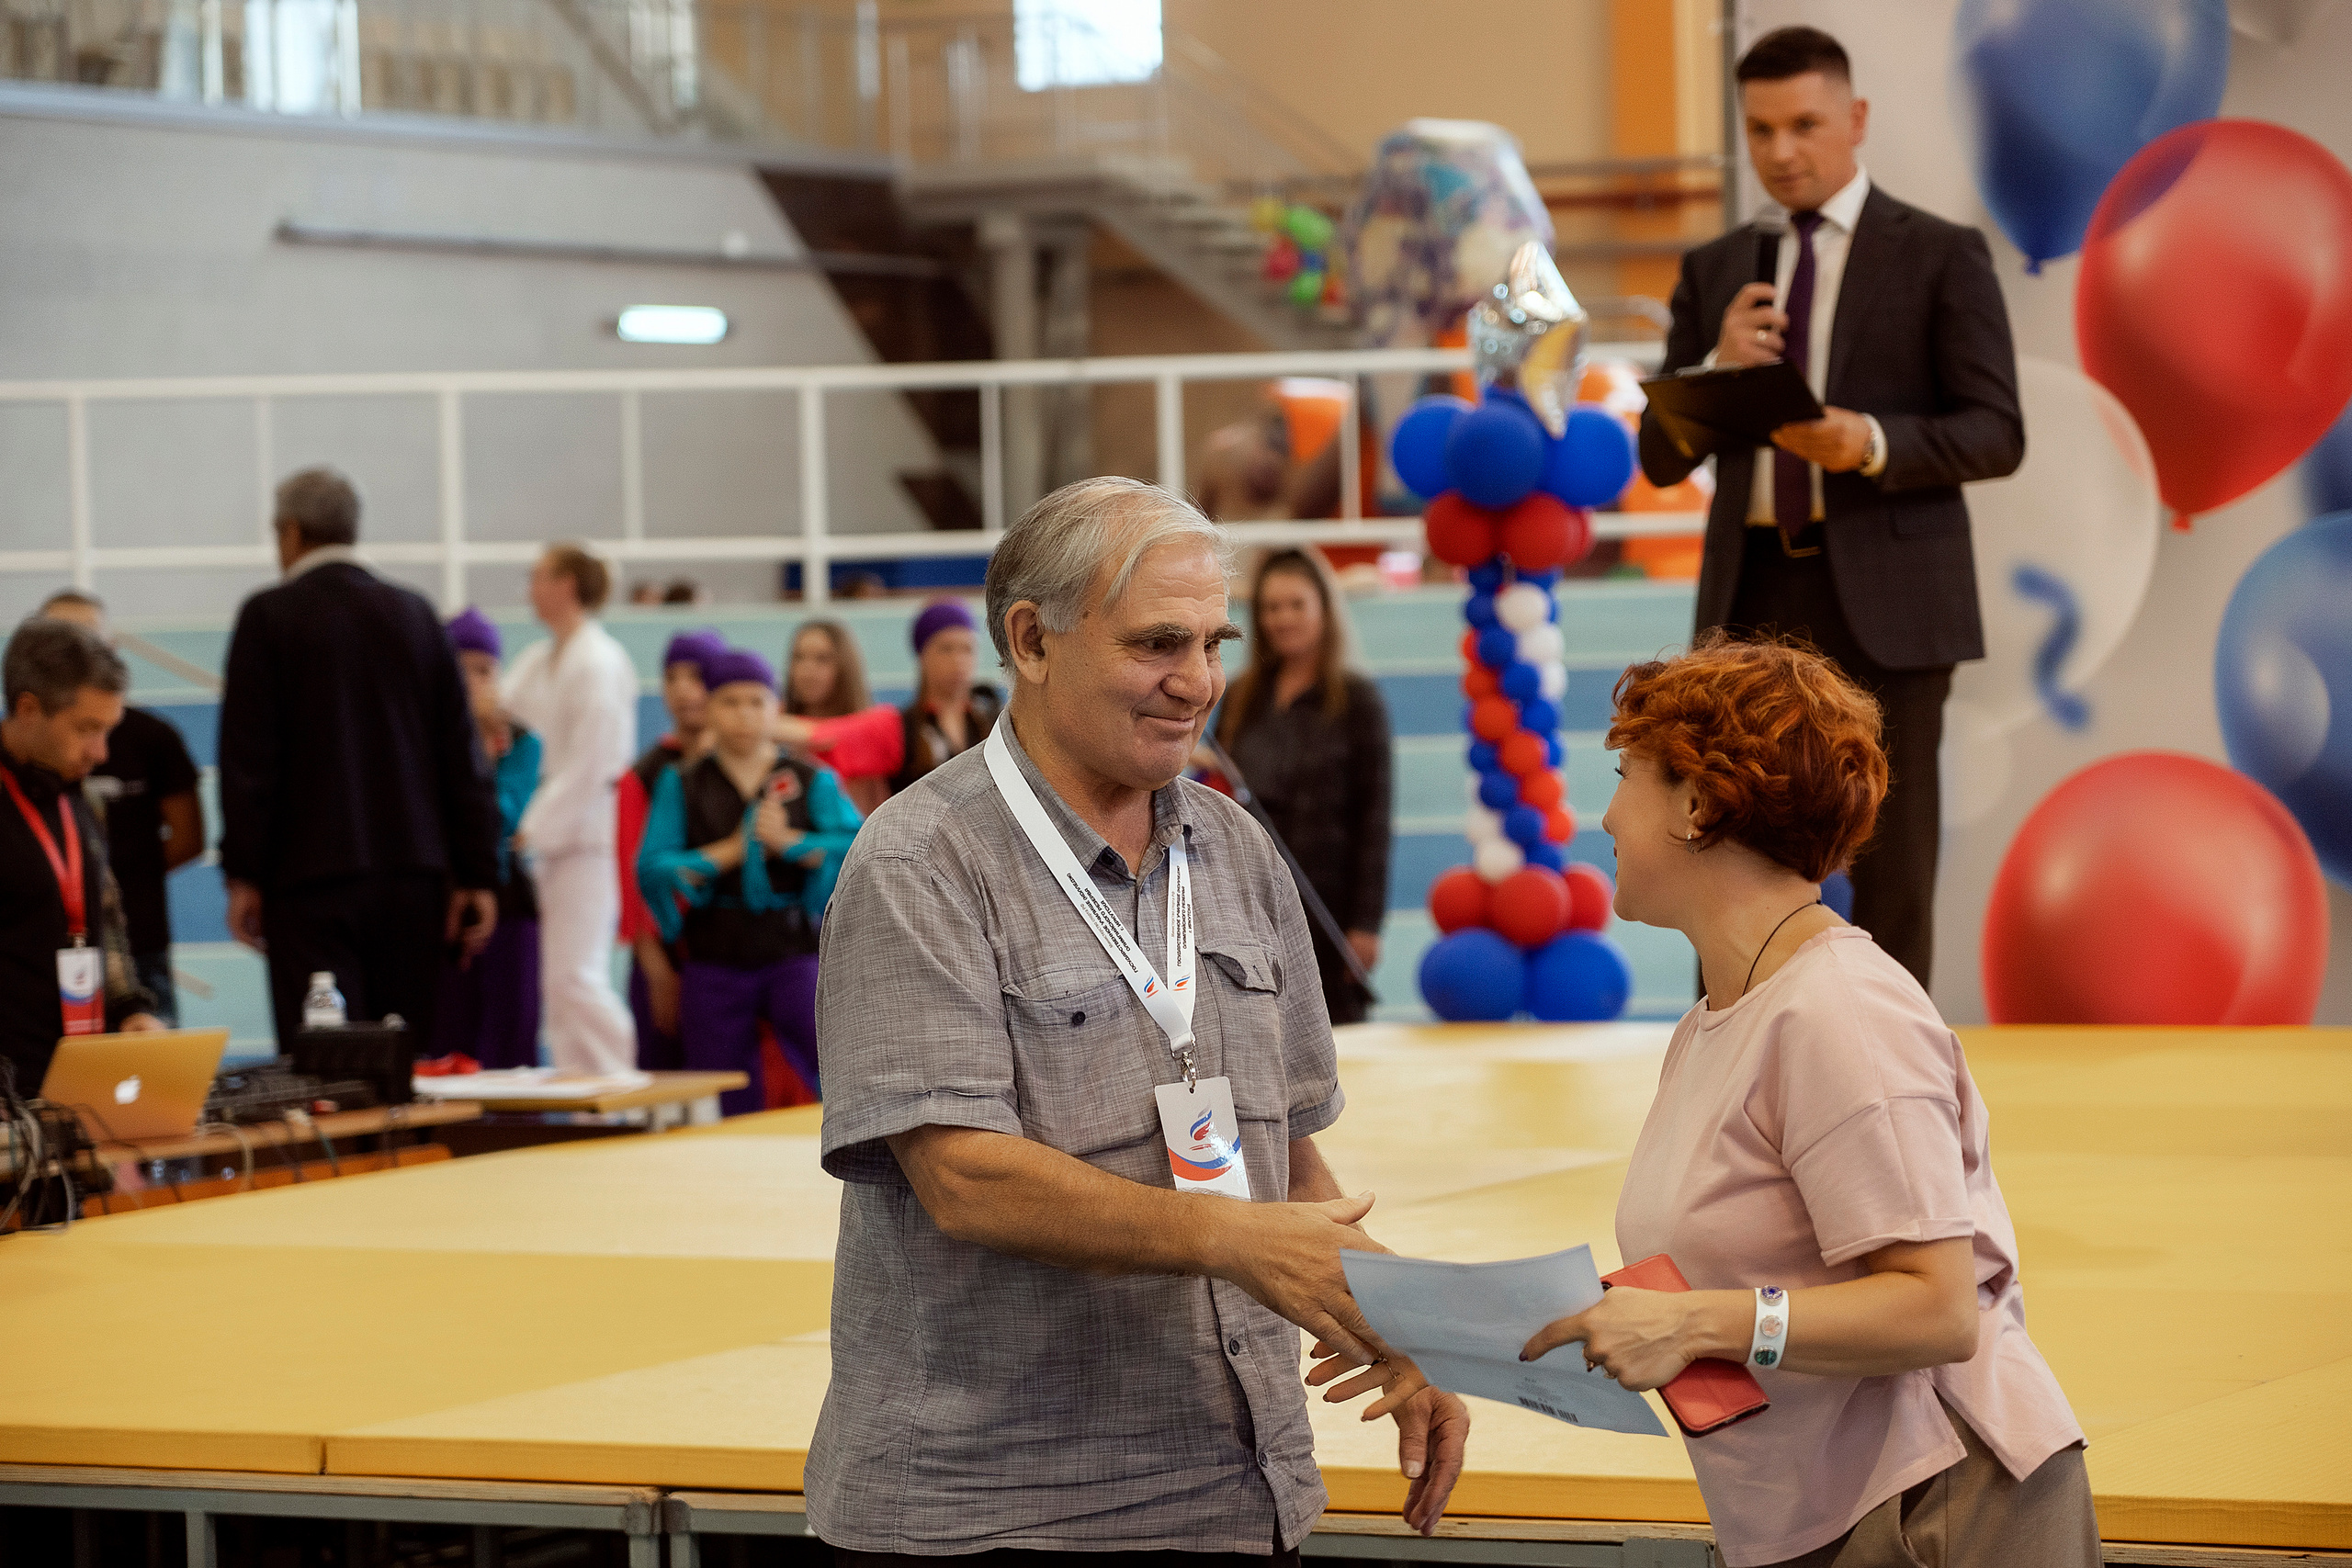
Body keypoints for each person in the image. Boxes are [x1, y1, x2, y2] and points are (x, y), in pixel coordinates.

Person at [808, 476, 1467, 1562]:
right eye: (1158, 644)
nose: (1198, 682)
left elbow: (1286, 1163)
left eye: (1214, 642)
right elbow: (963, 1174)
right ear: (1031, 638)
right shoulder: (922, 862)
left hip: (1238, 1489)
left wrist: (1402, 1327)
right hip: (1009, 1512)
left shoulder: (1237, 851)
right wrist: (1233, 1239)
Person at [1365, 635, 2088, 1568]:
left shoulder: (1839, 1013)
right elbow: (1715, 1279)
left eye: (1627, 775)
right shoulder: (1721, 1014)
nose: (1606, 815)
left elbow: (1935, 1310)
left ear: (1698, 805)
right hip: (1822, 1506)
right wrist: (1452, 1338)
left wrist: (1695, 1323)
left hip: (1939, 1498)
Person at [1635, 25, 2022, 990]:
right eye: (1760, 130)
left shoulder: (1938, 253)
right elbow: (1660, 452)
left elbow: (1996, 430)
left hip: (1891, 607)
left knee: (1893, 873)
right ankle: (1729, 1083)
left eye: (1803, 125)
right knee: (1720, 853)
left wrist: (1874, 443)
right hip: (1749, 601)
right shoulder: (1715, 266)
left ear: (1854, 120)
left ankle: (1890, 1088)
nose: (1780, 152)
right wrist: (1713, 370)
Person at [218, 468, 500, 1052]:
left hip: (309, 881)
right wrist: (476, 873)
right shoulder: (416, 614)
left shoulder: (268, 617)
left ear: (289, 532)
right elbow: (461, 753)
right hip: (415, 880)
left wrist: (244, 872)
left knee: (325, 1067)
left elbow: (250, 760)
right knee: (408, 1059)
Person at [638, 649, 859, 1114]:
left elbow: (856, 846)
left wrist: (791, 842)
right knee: (718, 1085)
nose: (744, 714)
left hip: (792, 948)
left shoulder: (809, 779)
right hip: (715, 954)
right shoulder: (683, 782)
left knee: (834, 1069)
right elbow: (652, 867)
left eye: (756, 701)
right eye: (730, 702)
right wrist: (730, 852)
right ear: (711, 709)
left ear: (776, 708)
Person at [1215, 548, 1392, 1026]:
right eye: (1271, 607)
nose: (1283, 618)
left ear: (1323, 608)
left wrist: (1365, 923)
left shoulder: (1358, 701)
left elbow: (1375, 817)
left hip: (1329, 904)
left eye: (1296, 604)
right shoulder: (1240, 697)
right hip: (1252, 901)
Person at [0, 620, 161, 1094]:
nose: (101, 752)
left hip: (86, 1077)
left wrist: (131, 1009)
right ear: (28, 709)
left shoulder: (79, 799)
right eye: (86, 729)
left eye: (108, 730)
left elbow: (105, 920)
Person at [502, 543, 640, 1076]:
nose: (531, 589)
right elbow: (506, 714)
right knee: (557, 980)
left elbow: (595, 762)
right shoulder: (541, 658)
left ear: (566, 585)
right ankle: (582, 1086)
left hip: (587, 835)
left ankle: (618, 1081)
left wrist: (531, 827)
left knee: (577, 975)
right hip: (554, 833)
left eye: (538, 578)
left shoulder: (598, 660)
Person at [37, 591, 203, 1026]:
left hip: (137, 938)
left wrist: (104, 884)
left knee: (150, 1065)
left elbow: (188, 838)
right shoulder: (24, 755)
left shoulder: (153, 738)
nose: (97, 752)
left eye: (86, 644)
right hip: (41, 952)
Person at [433, 608, 543, 1070]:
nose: (473, 682)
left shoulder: (519, 742)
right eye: (461, 670)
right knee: (443, 1040)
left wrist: (477, 740)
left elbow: (500, 814)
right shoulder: (419, 739)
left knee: (510, 1043)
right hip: (438, 902)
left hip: (507, 902)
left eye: (484, 671)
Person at [616, 629, 727, 1072]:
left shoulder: (749, 765)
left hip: (726, 951)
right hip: (664, 951)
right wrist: (657, 969)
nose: (683, 690)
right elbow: (631, 881)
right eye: (671, 678)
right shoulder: (643, 776)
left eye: (696, 677)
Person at [886, 598, 1000, 795]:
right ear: (922, 655)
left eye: (967, 649)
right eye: (946, 649)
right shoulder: (903, 727)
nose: (958, 661)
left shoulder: (992, 720)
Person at [781, 620, 889, 816]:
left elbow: (824, 736)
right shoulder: (778, 718)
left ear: (845, 667)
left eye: (822, 659)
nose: (807, 670)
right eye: (798, 658)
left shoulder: (870, 724)